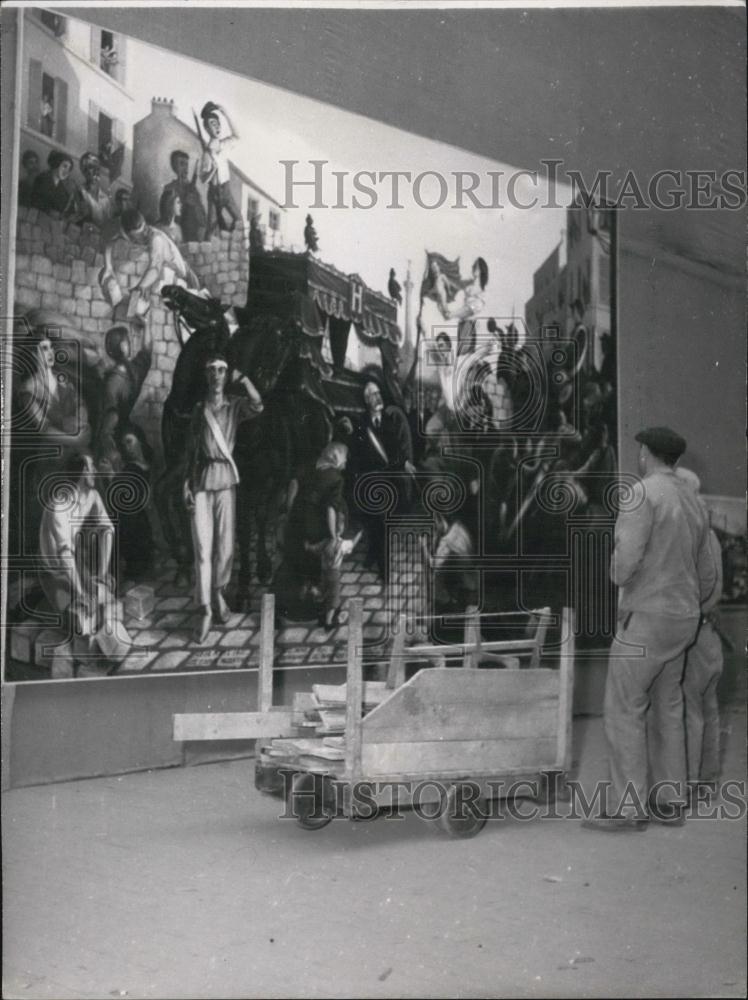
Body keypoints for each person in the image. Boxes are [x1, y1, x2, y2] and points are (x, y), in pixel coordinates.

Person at [583, 426, 718, 832]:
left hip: (646, 618)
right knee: (670, 706)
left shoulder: (642, 493)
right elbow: (708, 573)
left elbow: (625, 563)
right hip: (683, 619)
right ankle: (670, 801)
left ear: (646, 454)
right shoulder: (692, 501)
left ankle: (628, 808)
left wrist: (617, 573)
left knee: (624, 706)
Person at [183, 354, 263, 643]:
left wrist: (244, 380)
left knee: (225, 546)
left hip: (226, 479)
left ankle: (218, 593)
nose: (217, 375)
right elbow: (192, 450)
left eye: (221, 370)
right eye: (212, 370)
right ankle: (204, 609)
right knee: (203, 548)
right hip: (202, 480)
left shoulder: (234, 405)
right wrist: (186, 483)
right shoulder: (198, 409)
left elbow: (258, 404)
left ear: (227, 375)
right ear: (206, 376)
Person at [677, 468, 725, 793]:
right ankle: (707, 779)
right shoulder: (711, 535)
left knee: (689, 712)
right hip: (710, 636)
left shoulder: (690, 536)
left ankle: (690, 783)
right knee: (709, 709)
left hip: (692, 634)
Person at [38, 452, 114, 640]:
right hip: (53, 570)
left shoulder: (92, 496)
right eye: (91, 467)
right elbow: (64, 553)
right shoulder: (60, 505)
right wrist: (80, 594)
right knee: (75, 623)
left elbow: (108, 529)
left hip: (75, 563)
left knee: (103, 599)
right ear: (81, 473)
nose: (95, 471)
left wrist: (103, 574)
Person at [352, 381, 414, 579]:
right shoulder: (360, 422)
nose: (377, 397)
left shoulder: (389, 420)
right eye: (371, 394)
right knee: (376, 521)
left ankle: (379, 562)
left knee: (384, 521)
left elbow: (395, 450)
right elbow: (356, 453)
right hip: (368, 480)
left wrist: (404, 463)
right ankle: (378, 561)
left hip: (389, 479)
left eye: (378, 392)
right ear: (366, 400)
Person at [101, 209, 199, 313]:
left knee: (139, 300)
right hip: (158, 272)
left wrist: (141, 286)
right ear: (127, 234)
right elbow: (110, 242)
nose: (144, 234)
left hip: (182, 275)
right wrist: (108, 266)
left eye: (144, 230)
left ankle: (135, 315)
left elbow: (155, 268)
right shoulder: (124, 226)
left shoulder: (157, 239)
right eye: (138, 235)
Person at [95, 324, 153, 468]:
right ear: (122, 347)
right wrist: (145, 323)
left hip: (119, 434)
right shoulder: (131, 373)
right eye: (128, 341)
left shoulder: (114, 379)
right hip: (115, 441)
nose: (131, 343)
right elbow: (107, 430)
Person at [306, 506, 362, 631]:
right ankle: (328, 622)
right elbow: (353, 543)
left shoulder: (325, 542)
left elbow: (313, 549)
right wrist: (359, 534)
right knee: (334, 599)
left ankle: (314, 592)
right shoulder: (342, 544)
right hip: (334, 573)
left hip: (324, 572)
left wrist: (307, 546)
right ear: (341, 528)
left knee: (324, 592)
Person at [199, 102, 241, 236]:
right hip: (214, 193)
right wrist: (212, 171)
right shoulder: (207, 153)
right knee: (210, 229)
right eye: (212, 123)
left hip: (226, 190)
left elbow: (237, 136)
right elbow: (203, 179)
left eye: (218, 123)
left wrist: (226, 114)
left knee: (239, 221)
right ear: (206, 128)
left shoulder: (224, 145)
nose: (216, 126)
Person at [162, 150, 207, 243]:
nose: (185, 169)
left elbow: (203, 218)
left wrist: (195, 205)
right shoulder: (169, 189)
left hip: (193, 235)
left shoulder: (193, 190)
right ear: (174, 167)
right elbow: (166, 217)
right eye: (181, 164)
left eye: (186, 164)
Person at [30, 150, 76, 217]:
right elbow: (35, 202)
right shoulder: (42, 179)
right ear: (56, 164)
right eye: (64, 166)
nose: (66, 172)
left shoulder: (62, 187)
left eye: (69, 169)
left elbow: (65, 208)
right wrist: (49, 211)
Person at [76, 152, 112, 227]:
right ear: (84, 171)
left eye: (97, 168)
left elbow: (107, 223)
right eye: (90, 167)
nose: (96, 171)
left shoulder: (105, 199)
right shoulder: (79, 191)